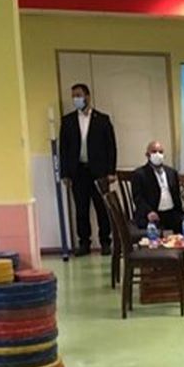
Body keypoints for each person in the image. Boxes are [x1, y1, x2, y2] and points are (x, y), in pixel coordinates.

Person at [59, 83, 117, 255]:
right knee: (81, 209)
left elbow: (111, 147)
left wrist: (111, 171)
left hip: (99, 171)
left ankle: (105, 242)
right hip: (78, 171)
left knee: (102, 208)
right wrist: (65, 173)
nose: (75, 99)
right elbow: (63, 149)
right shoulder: (68, 121)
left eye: (78, 95)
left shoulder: (102, 119)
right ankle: (84, 243)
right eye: (73, 96)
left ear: (87, 96)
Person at [130, 140, 183, 232]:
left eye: (161, 152)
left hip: (171, 213)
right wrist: (148, 212)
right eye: (154, 152)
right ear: (147, 155)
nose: (158, 155)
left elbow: (177, 196)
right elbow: (138, 198)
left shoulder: (171, 172)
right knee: (154, 229)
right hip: (151, 214)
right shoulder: (140, 174)